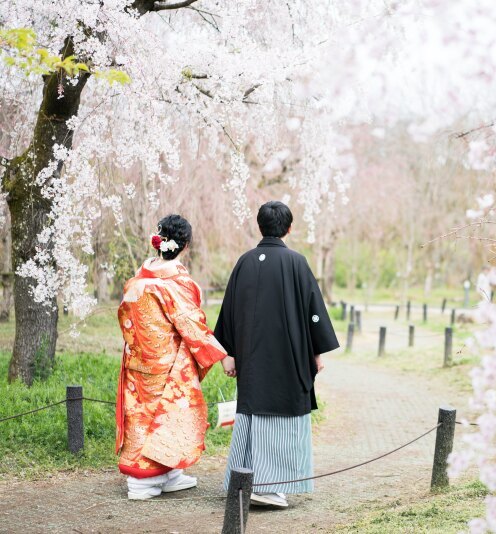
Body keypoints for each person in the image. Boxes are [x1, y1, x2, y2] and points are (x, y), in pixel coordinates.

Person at [215, 200, 339, 508]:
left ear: (260, 226)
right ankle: (269, 487)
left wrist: (227, 354)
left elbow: (228, 312)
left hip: (251, 362)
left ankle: (244, 481)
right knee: (281, 414)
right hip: (287, 358)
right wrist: (317, 353)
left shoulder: (244, 262)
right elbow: (314, 313)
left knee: (253, 411)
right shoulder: (296, 262)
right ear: (289, 228)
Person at [115, 214, 231, 500]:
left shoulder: (138, 279)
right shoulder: (176, 282)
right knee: (167, 415)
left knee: (141, 415)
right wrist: (220, 353)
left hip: (138, 360)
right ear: (186, 245)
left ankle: (168, 474)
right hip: (168, 363)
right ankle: (143, 482)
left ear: (157, 242)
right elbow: (191, 325)